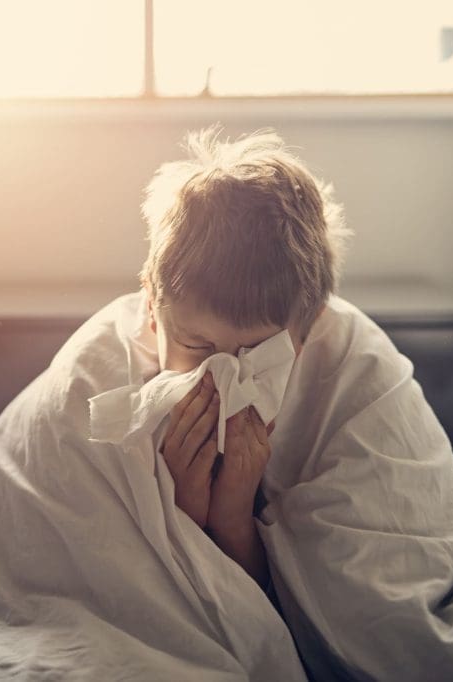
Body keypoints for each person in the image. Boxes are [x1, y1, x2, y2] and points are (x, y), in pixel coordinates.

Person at [136, 126, 351, 590]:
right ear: (153, 311)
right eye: (197, 347)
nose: (223, 378)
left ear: (306, 332)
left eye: (256, 354)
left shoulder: (338, 387)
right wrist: (182, 512)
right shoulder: (107, 381)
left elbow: (285, 625)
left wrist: (232, 517)